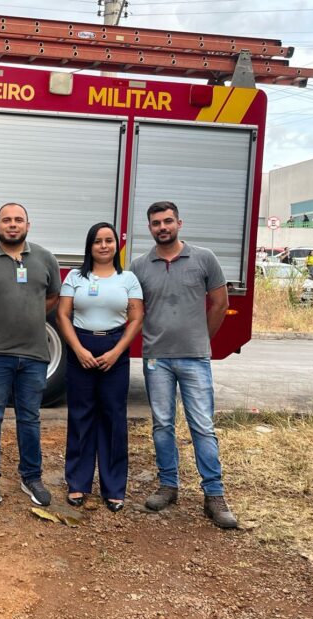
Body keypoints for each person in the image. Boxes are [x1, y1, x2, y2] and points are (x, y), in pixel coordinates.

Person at [130, 201, 237, 529]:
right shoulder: (139, 266)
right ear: (149, 228)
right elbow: (134, 310)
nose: (162, 227)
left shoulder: (204, 258)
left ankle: (214, 495)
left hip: (194, 358)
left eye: (168, 221)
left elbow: (220, 303)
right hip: (156, 359)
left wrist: (200, 340)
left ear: (179, 223)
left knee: (202, 426)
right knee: (162, 425)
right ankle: (168, 486)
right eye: (156, 223)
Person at [0, 203, 60, 507]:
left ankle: (31, 477)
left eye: (19, 220)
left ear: (27, 225)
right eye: (6, 220)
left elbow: (53, 297)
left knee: (30, 418)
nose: (13, 224)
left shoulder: (45, 259)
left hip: (34, 354)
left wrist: (30, 315)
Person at [56, 222, 143, 513]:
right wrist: (78, 350)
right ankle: (77, 483)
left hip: (114, 349)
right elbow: (63, 315)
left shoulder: (128, 279)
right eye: (97, 241)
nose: (103, 246)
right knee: (80, 416)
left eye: (109, 240)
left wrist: (117, 352)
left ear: (116, 245)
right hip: (80, 348)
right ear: (89, 246)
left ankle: (114, 488)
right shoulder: (75, 277)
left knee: (113, 417)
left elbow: (136, 318)